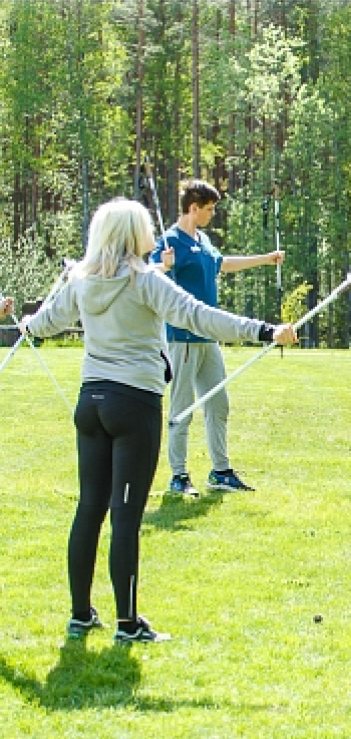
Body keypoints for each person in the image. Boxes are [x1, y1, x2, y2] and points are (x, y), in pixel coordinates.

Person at [19, 198, 296, 642]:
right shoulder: (145, 281)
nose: (154, 232)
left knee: (89, 508)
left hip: (90, 404)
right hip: (133, 406)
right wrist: (264, 330)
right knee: (125, 516)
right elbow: (200, 317)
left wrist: (26, 324)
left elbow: (45, 323)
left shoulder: (81, 280)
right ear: (133, 234)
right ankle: (127, 624)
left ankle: (80, 615)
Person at [152, 179, 285, 497]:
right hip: (181, 337)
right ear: (193, 208)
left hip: (207, 337)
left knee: (218, 404)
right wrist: (163, 264)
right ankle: (179, 476)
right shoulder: (170, 241)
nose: (213, 214)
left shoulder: (204, 240)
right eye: (209, 209)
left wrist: (265, 258)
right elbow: (148, 275)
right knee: (181, 408)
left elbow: (222, 264)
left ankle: (221, 471)